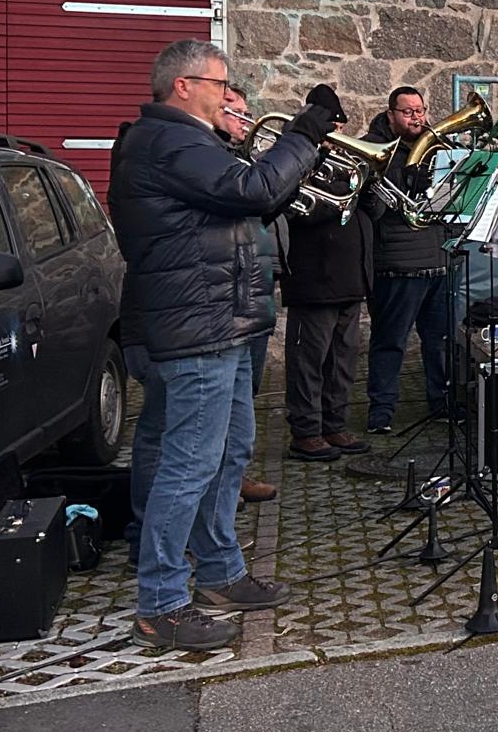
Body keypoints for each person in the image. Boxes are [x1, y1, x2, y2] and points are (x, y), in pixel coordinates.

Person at [112, 39, 330, 650]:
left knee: (228, 457)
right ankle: (160, 600)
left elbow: (256, 201)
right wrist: (305, 133)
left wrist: (292, 162)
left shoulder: (190, 142)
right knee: (189, 465)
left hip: (224, 320)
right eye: (218, 83)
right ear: (183, 85)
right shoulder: (169, 139)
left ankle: (219, 571)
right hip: (199, 326)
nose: (225, 93)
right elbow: (252, 191)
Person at [281, 86, 374, 462]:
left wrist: (364, 189)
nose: (336, 132)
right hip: (313, 278)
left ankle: (334, 423)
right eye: (330, 124)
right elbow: (293, 205)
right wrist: (338, 190)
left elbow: (366, 214)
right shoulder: (294, 155)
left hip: (350, 277)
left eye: (338, 125)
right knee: (309, 360)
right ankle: (306, 430)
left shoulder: (345, 162)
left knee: (342, 358)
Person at [364, 87, 451, 434]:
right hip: (397, 261)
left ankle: (441, 404)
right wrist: (402, 177)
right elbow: (374, 209)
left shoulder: (434, 148)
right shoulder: (375, 148)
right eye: (408, 112)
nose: (416, 118)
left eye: (420, 110)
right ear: (390, 115)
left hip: (437, 257)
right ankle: (381, 411)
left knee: (440, 340)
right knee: (390, 340)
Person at [218, 84, 280, 504]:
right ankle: (221, 490)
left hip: (254, 294)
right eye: (234, 111)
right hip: (225, 305)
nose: (244, 119)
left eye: (245, 110)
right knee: (218, 413)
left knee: (244, 405)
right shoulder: (209, 161)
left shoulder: (242, 159)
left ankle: (232, 480)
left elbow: (262, 208)